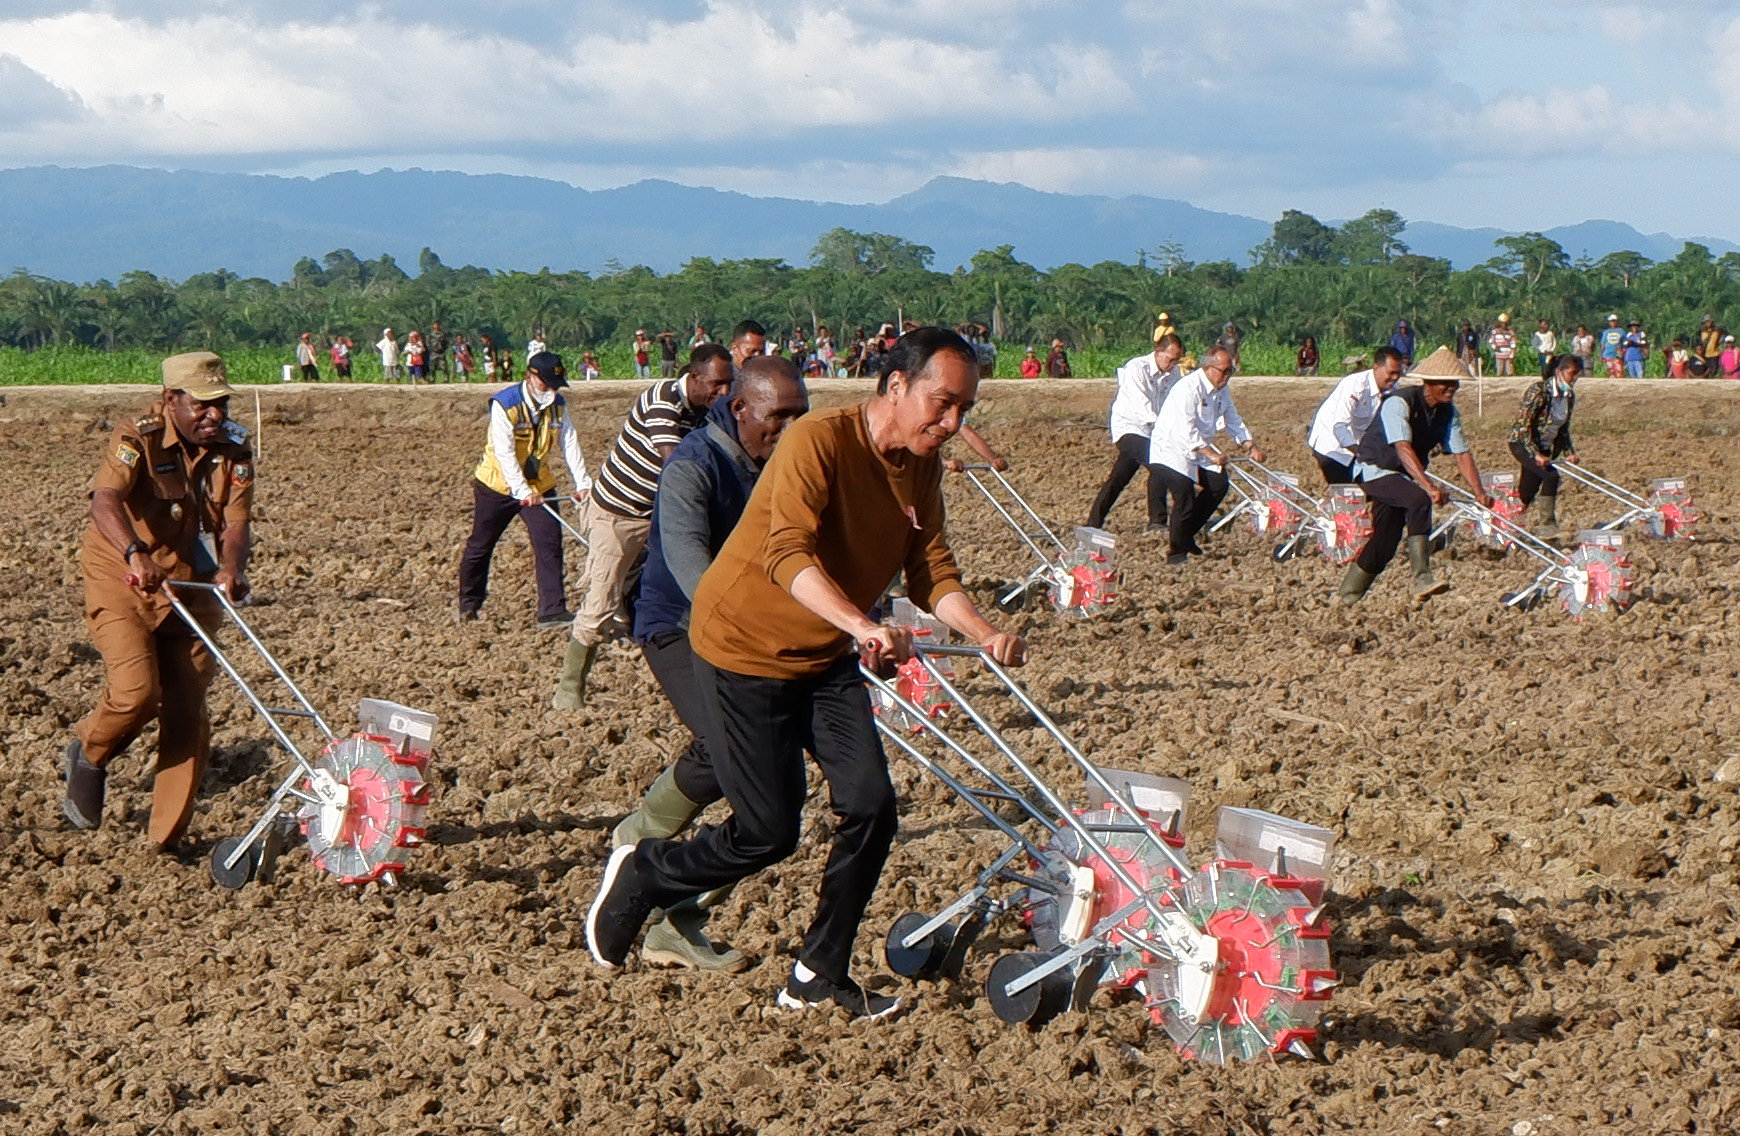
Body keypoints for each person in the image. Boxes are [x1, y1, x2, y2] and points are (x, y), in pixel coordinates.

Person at [583, 327, 1028, 1019]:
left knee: (871, 806)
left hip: (824, 656)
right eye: (942, 404)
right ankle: (646, 870)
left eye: (964, 409)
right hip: (743, 648)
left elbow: (930, 570)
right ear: (896, 385)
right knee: (769, 831)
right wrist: (862, 625)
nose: (952, 423)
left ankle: (817, 973)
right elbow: (788, 554)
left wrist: (986, 632)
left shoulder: (921, 466)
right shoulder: (818, 441)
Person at [615, 357, 811, 971]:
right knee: (735, 752)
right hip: (678, 623)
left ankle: (678, 916)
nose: (791, 429)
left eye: (801, 415)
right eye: (779, 416)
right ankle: (640, 838)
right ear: (740, 409)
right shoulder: (694, 465)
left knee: (771, 786)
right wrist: (753, 627)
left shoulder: (785, 463)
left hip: (755, 630)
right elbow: (689, 565)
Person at [63, 351, 254, 848]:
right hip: (124, 575)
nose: (215, 415)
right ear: (172, 400)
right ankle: (90, 751)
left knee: (187, 706)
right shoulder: (137, 436)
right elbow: (105, 499)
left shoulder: (234, 448)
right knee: (137, 693)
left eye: (221, 403)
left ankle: (165, 840)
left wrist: (232, 568)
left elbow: (236, 522)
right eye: (202, 405)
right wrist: (135, 552)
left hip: (190, 583)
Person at [552, 345, 735, 708]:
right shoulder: (662, 399)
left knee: (658, 594)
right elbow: (675, 463)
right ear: (695, 377)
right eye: (717, 384)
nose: (724, 392)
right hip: (616, 517)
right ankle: (569, 688)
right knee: (600, 601)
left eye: (729, 384)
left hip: (654, 518)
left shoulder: (705, 412)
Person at [1336, 347, 1490, 605]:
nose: (1452, 388)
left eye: (1455, 383)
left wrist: (1479, 492)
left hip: (1401, 478)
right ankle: (1422, 578)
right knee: (1419, 500)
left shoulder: (1448, 413)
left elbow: (1461, 453)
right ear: (1428, 383)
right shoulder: (1399, 402)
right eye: (1445, 383)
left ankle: (1348, 595)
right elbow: (1402, 447)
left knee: (1386, 540)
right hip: (1374, 469)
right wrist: (1428, 486)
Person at [457, 352, 591, 627]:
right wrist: (522, 491)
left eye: (555, 385)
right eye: (546, 384)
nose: (551, 390)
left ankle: (552, 611)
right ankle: (469, 604)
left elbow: (569, 442)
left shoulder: (558, 405)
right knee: (481, 545)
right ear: (530, 377)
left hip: (539, 484)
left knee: (549, 543)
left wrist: (583, 483)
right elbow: (504, 452)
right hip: (497, 486)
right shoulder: (504, 404)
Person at [1149, 345, 1264, 565]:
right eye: (1224, 371)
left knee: (1218, 484)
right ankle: (1176, 553)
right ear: (1209, 368)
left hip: (1198, 450)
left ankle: (1186, 535)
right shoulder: (1188, 388)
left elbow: (1232, 419)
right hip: (1171, 450)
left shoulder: (1221, 390)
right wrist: (1210, 453)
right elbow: (1185, 429)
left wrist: (1249, 445)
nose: (1228, 376)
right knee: (1185, 495)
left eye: (1231, 371)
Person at [1085, 334, 1184, 531]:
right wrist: (1167, 430)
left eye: (1176, 360)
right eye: (1170, 359)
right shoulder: (1136, 368)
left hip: (1153, 431)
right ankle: (1157, 520)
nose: (1173, 364)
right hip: (1129, 427)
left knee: (1119, 478)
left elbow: (1175, 402)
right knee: (1160, 462)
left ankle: (1093, 522)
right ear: (1158, 352)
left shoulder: (1173, 374)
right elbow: (1142, 407)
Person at [1306, 346, 1406, 485]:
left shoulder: (1393, 390)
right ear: (1376, 367)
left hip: (1358, 445)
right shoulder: (1355, 385)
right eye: (1391, 373)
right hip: (1332, 447)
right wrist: (1361, 453)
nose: (1395, 378)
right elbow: (1339, 427)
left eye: (1398, 373)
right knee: (1345, 490)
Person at [1508, 354, 1581, 535]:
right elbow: (1523, 425)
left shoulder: (1569, 397)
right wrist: (1535, 453)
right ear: (1559, 372)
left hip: (1545, 447)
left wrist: (1569, 453)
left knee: (1528, 491)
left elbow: (1563, 429)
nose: (1575, 378)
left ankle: (1511, 521)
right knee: (1551, 477)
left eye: (1577, 374)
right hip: (1523, 443)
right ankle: (1547, 526)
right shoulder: (1538, 391)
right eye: (1572, 373)